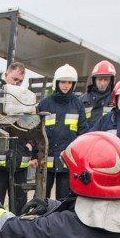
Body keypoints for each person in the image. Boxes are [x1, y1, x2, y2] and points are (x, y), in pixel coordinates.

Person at [37, 64, 87, 199]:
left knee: (63, 199)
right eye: (63, 82)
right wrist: (34, 156)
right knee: (42, 198)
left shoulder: (78, 105)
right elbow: (36, 133)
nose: (66, 85)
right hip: (46, 162)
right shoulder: (45, 104)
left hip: (67, 163)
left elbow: (82, 134)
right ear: (57, 83)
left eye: (69, 82)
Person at [0, 62, 35, 214]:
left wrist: (30, 144)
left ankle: (18, 234)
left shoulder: (26, 99)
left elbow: (33, 125)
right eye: (14, 79)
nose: (16, 84)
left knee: (19, 206)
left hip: (20, 163)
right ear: (6, 75)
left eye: (20, 81)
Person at [81, 60, 116, 127]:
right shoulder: (83, 100)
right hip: (87, 136)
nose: (102, 83)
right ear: (94, 80)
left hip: (107, 137)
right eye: (99, 79)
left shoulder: (116, 101)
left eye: (106, 80)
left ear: (111, 81)